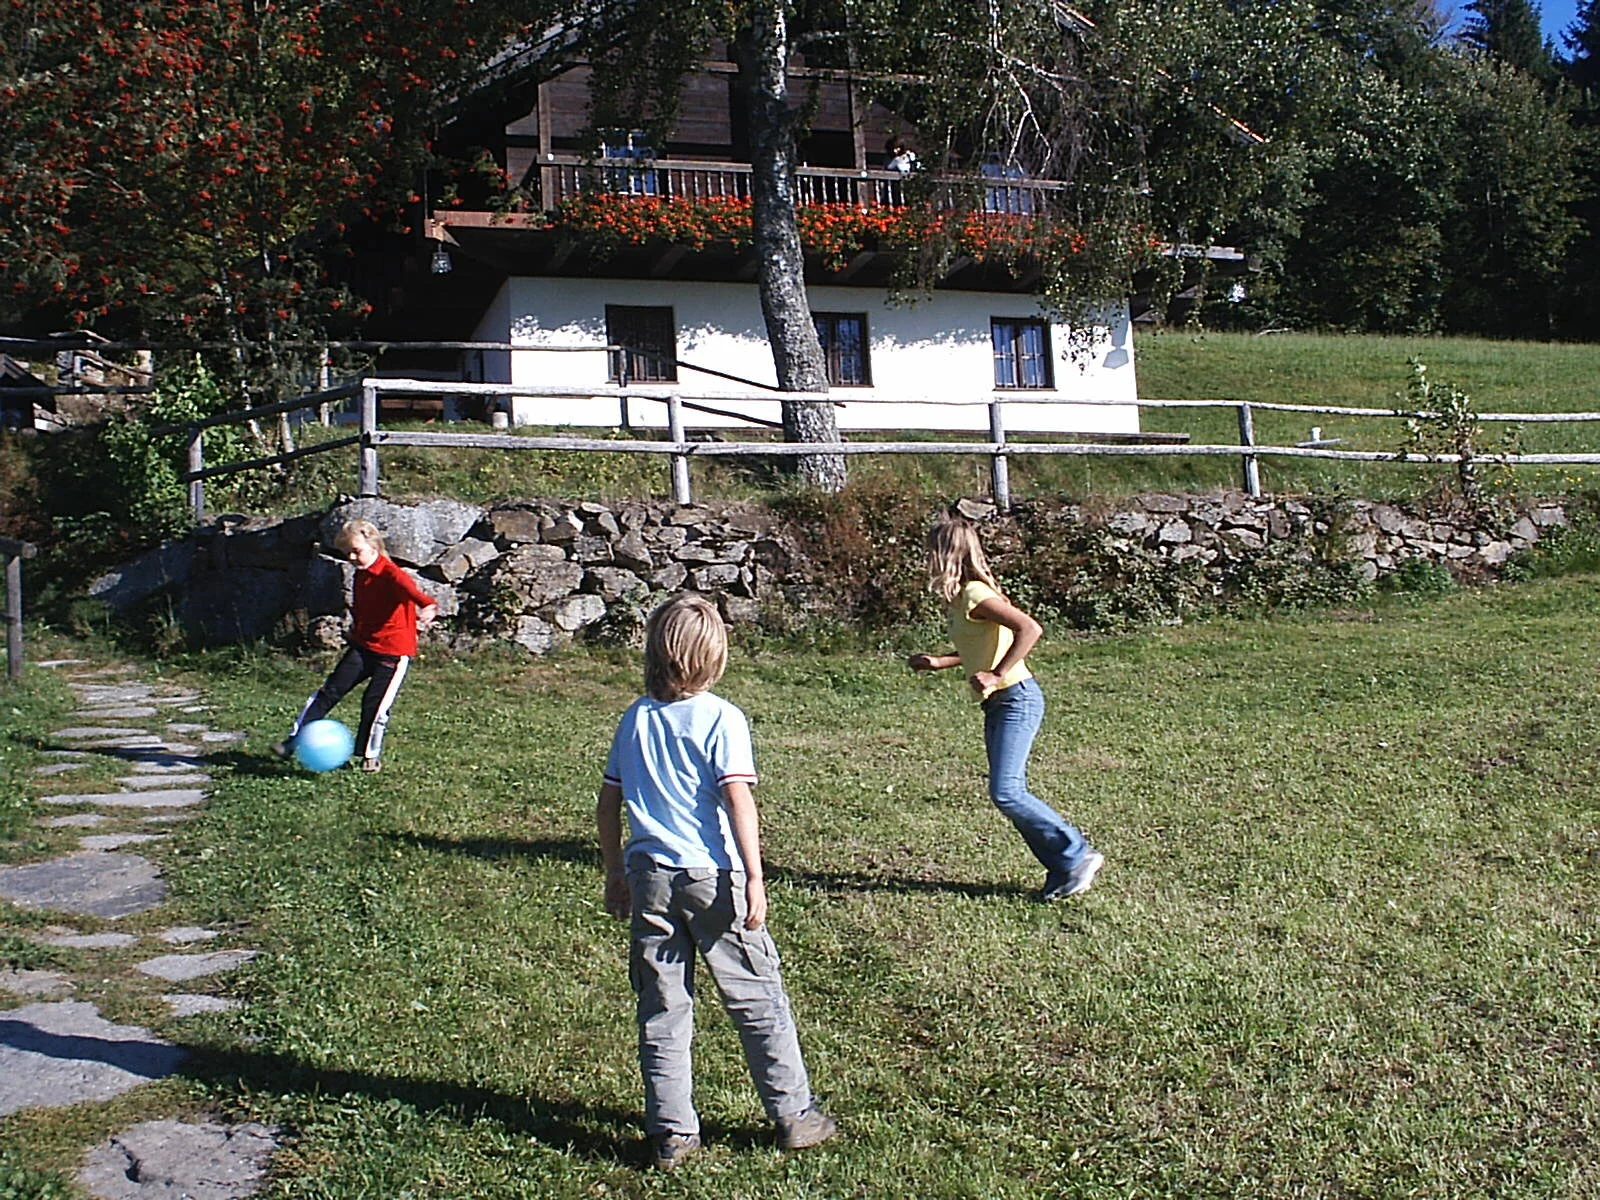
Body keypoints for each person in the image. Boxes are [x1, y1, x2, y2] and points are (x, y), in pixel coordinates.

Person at [597, 592, 837, 1170]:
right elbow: (738, 802)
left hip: (650, 875)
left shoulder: (636, 716)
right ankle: (794, 1116)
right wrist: (755, 878)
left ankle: (673, 1133)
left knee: (663, 1006)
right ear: (715, 656)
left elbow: (608, 804)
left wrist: (613, 873)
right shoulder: (722, 718)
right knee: (756, 994)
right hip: (715, 879)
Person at [908, 511, 1104, 900]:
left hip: (1017, 697)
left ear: (947, 555)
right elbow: (978, 648)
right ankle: (1063, 869)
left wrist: (997, 674)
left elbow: (1030, 629)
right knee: (1007, 793)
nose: (926, 559)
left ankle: (1076, 853)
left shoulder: (977, 595)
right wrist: (940, 662)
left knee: (1007, 791)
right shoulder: (963, 599)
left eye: (931, 551)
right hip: (998, 703)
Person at [273, 519, 436, 773]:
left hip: (393, 652)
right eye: (347, 552)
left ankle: (369, 755)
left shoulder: (391, 573)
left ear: (373, 545)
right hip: (363, 647)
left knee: (375, 704)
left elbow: (412, 591)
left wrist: (427, 605)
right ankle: (293, 741)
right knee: (329, 691)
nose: (351, 557)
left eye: (356, 551)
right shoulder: (361, 573)